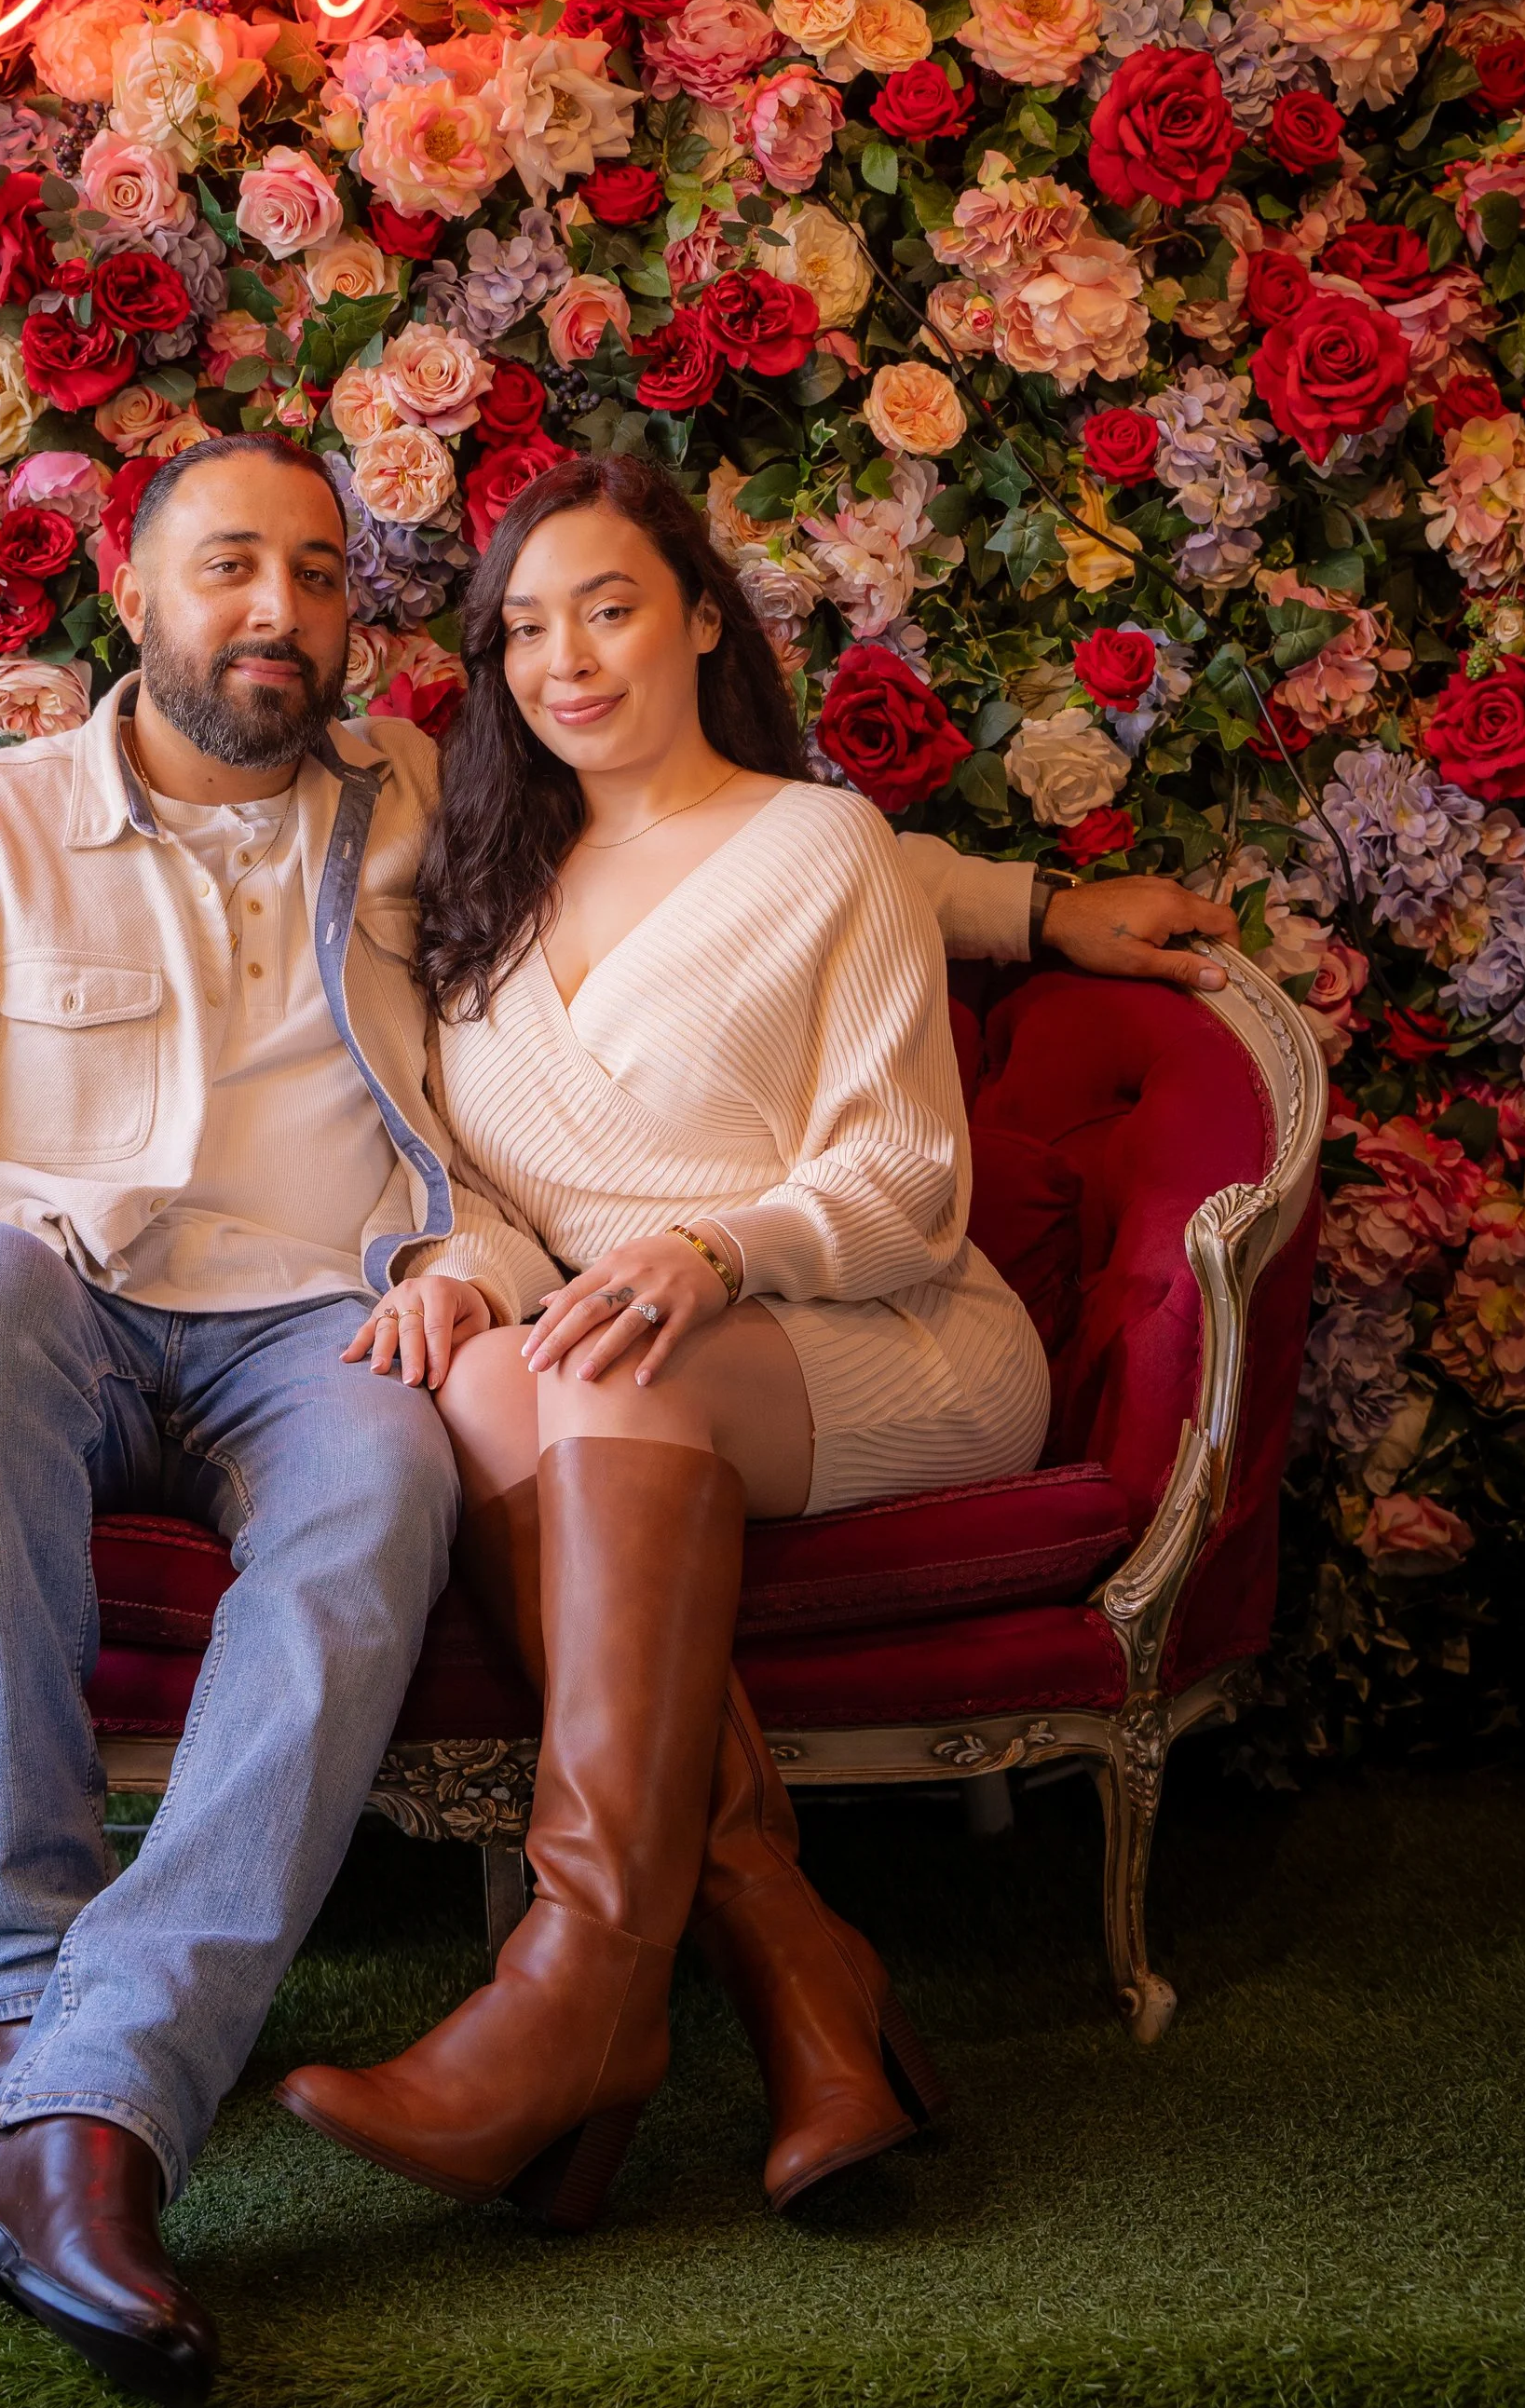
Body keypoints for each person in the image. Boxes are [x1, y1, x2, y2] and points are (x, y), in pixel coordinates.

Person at [0, 434, 1235, 2404]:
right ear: (128, 595)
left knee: (405, 1465)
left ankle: (175, 2079)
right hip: (42, 1303)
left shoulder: (410, 798)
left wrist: (1028, 905)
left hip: (333, 1330)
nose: (276, 611)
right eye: (229, 567)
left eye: (319, 575)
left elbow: (735, 841)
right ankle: (40, 1998)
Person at [276, 459, 1101, 2224]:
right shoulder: (489, 882)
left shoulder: (823, 844)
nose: (563, 657)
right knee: (486, 1370)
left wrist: (717, 1249)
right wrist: (455, 1265)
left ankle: (575, 1991)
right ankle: (806, 1977)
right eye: (522, 628)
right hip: (611, 1361)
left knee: (586, 1364)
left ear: (703, 617)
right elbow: (482, 1181)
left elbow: (907, 1181)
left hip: (878, 1328)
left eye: (610, 605)